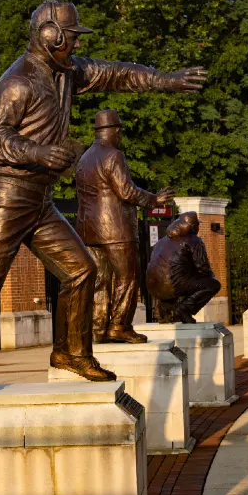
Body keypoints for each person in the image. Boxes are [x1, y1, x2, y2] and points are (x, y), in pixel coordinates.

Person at [0, 0, 207, 392]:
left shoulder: (66, 73)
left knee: (81, 270)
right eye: (70, 36)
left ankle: (71, 352)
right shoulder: (17, 82)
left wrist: (165, 80)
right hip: (5, 194)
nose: (75, 43)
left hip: (40, 199)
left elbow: (118, 74)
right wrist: (37, 152)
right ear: (49, 35)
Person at [76, 109, 174, 343]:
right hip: (115, 229)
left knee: (98, 281)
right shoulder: (114, 156)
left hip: (88, 230)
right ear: (115, 131)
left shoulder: (84, 158)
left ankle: (97, 329)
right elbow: (126, 191)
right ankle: (119, 326)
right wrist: (154, 199)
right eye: (119, 131)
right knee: (127, 278)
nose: (120, 136)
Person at [146, 212, 221, 324]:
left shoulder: (161, 241)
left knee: (176, 278)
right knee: (213, 284)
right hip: (174, 284)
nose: (198, 227)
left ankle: (163, 308)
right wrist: (209, 277)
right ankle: (184, 309)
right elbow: (203, 267)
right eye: (198, 225)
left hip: (153, 286)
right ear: (193, 226)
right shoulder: (194, 240)